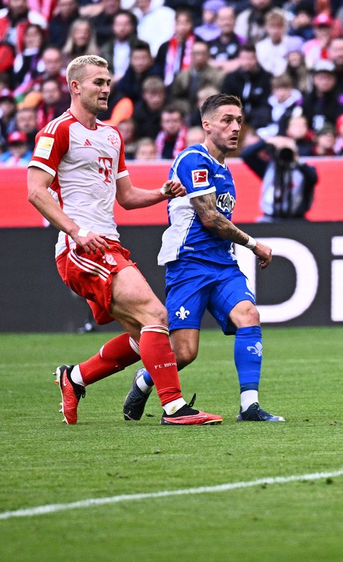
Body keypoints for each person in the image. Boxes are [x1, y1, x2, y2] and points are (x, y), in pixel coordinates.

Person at [27, 55, 221, 425]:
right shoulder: (57, 130)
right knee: (156, 314)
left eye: (108, 81)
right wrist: (76, 231)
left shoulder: (112, 135)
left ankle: (75, 377)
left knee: (142, 336)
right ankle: (174, 407)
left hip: (108, 244)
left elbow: (127, 197)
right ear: (75, 87)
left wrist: (162, 193)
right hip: (79, 247)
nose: (106, 88)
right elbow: (36, 192)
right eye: (98, 82)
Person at [123, 94, 283, 423]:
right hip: (189, 264)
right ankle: (144, 379)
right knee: (184, 353)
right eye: (227, 120)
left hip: (223, 265)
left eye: (238, 120)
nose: (235, 127)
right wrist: (254, 244)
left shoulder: (226, 169)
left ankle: (249, 406)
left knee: (249, 315)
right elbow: (210, 218)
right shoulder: (192, 159)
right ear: (206, 125)